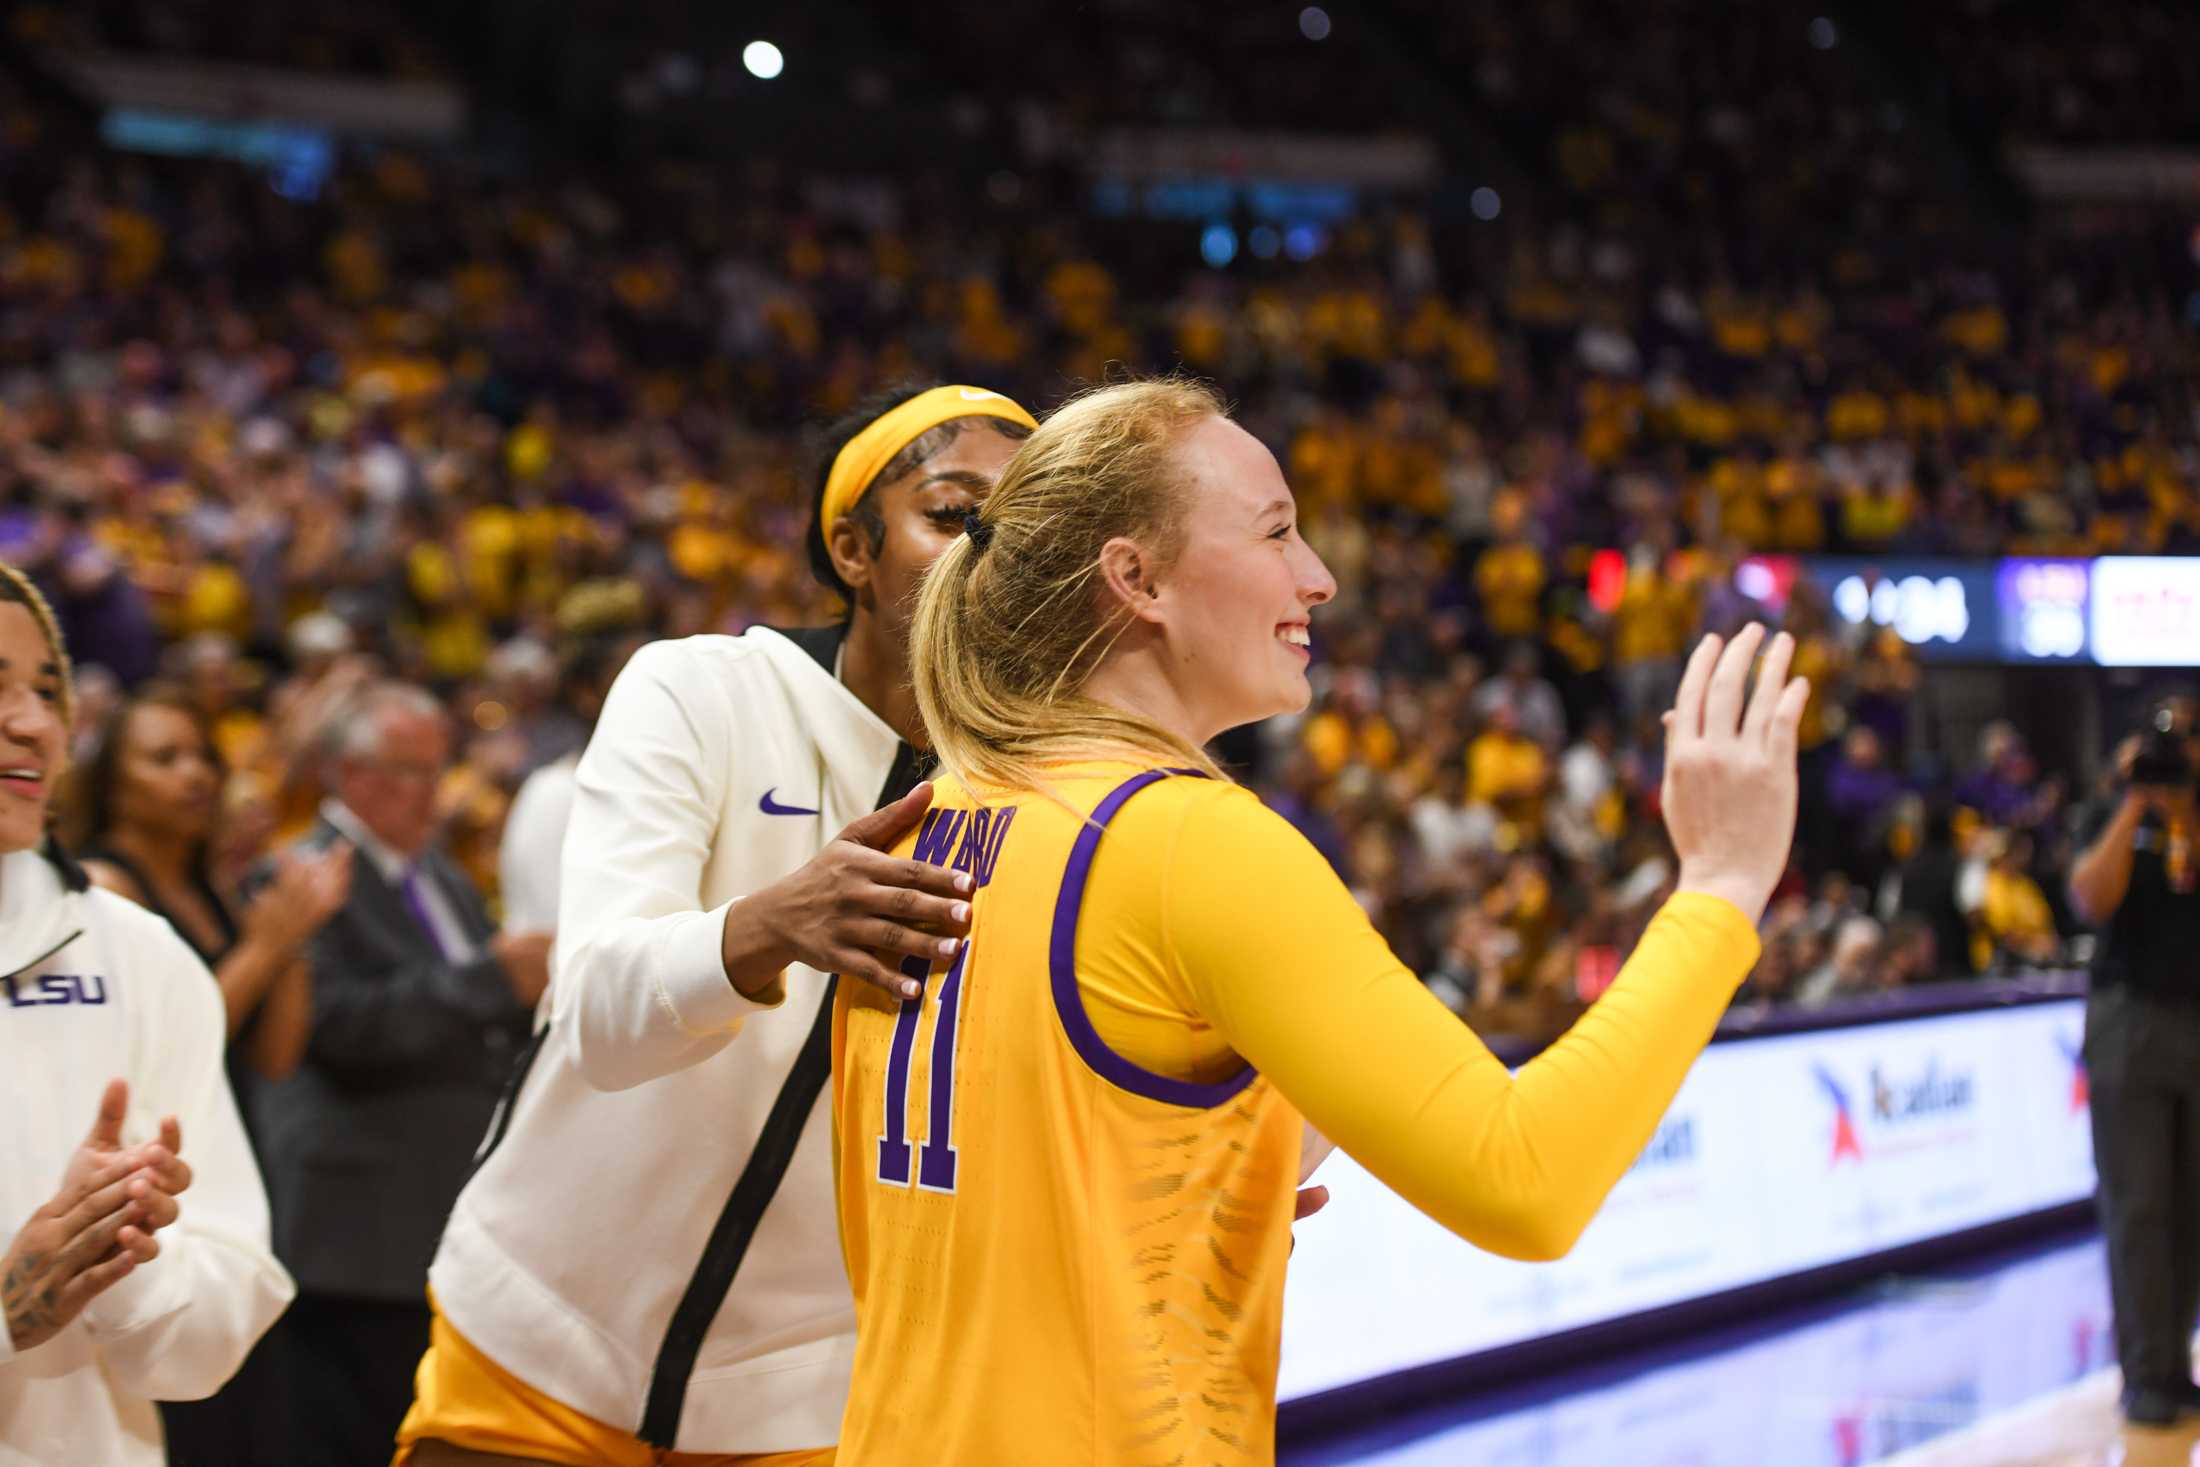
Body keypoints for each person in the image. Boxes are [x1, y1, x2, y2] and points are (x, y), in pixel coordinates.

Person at [831, 379, 1808, 1463]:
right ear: (1136, 577)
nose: (1320, 578)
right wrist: (1720, 886)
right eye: (1278, 532)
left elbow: (1035, 1185)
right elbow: (1527, 1181)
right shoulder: (1185, 841)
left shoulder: (930, 822)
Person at [395, 385, 1040, 1467]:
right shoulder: (700, 690)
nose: (994, 558)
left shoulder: (1055, 791)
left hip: (808, 1402)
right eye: (954, 516)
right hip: (540, 1335)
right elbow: (600, 1015)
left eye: (1028, 535)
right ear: (852, 548)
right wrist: (764, 926)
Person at [0, 562, 293, 1465]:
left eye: (48, 690)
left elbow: (226, 1307)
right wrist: (11, 1305)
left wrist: (120, 1263)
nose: (33, 722)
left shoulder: (142, 955)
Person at [251, 680, 550, 1467]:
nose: (435, 790)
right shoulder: (300, 873)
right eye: (413, 770)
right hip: (357, 1228)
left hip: (439, 1217)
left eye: (438, 767)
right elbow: (337, 1027)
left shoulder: (440, 875)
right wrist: (494, 978)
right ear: (352, 774)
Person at [60, 685, 350, 1465]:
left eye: (204, 757)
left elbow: (275, 1055)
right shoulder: (103, 888)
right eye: (165, 758)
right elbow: (164, 1046)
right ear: (114, 782)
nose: (195, 774)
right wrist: (264, 944)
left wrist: (289, 934)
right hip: (153, 1169)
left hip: (234, 1147)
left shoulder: (214, 887)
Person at [2067, 715, 2200, 1426]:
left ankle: (2178, 1361)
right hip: (2128, 1020)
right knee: (2139, 1202)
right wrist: (2132, 807)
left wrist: (2183, 813)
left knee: (2190, 1204)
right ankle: (2147, 1371)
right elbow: (2090, 897)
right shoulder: (2108, 807)